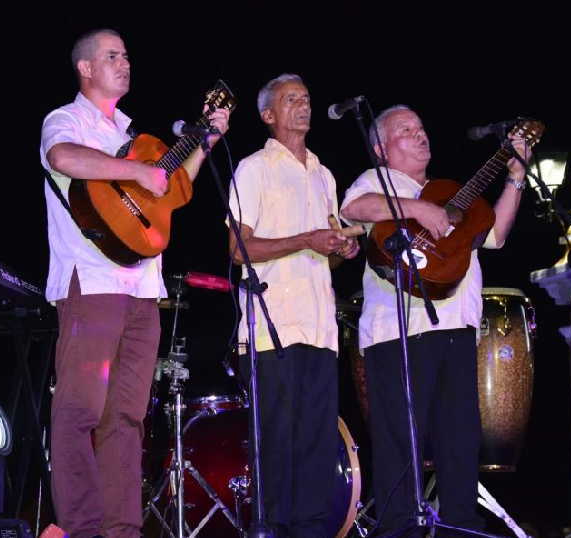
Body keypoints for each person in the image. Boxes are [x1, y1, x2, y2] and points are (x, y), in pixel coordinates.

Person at [39, 28, 230, 538]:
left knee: (126, 417)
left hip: (144, 291)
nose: (125, 62)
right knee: (80, 410)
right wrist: (133, 171)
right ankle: (81, 528)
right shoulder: (67, 119)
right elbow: (63, 158)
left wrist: (205, 141)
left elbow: (174, 190)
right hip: (93, 282)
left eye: (126, 55)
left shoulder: (138, 137)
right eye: (112, 55)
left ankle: (122, 529)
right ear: (85, 68)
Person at [340, 105, 530, 534]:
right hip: (400, 332)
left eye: (422, 128)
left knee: (460, 439)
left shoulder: (447, 191)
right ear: (380, 148)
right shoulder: (377, 181)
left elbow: (495, 234)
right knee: (400, 442)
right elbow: (355, 206)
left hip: (457, 326)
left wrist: (516, 174)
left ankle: (459, 524)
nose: (420, 135)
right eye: (406, 131)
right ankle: (399, 528)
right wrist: (420, 211)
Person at [227, 73, 359, 537]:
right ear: (268, 115)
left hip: (320, 327)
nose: (302, 106)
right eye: (290, 100)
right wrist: (307, 239)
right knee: (277, 444)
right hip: (272, 328)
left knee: (316, 444)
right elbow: (237, 248)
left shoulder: (324, 174)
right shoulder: (253, 168)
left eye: (306, 98)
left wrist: (341, 249)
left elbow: (326, 246)